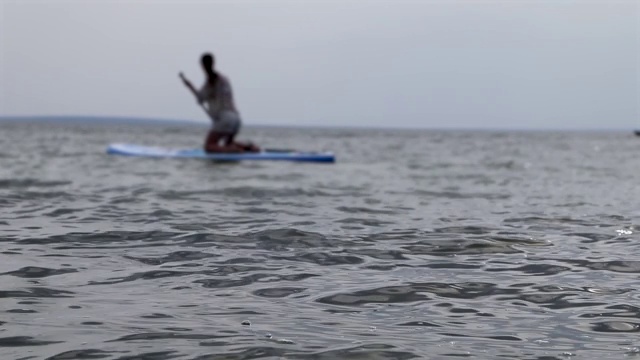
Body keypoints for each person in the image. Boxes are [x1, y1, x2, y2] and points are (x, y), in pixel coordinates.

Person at [179, 53, 259, 153]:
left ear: (202, 65)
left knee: (209, 146)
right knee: (228, 143)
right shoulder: (225, 79)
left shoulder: (210, 81)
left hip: (224, 118)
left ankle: (234, 150)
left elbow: (201, 98)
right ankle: (250, 148)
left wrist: (190, 86)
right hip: (236, 119)